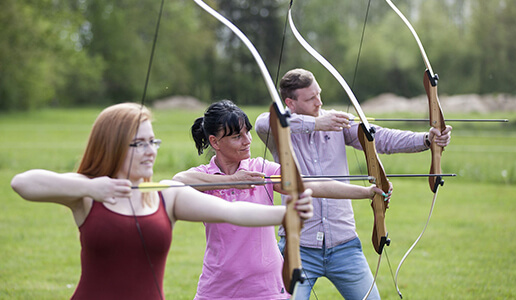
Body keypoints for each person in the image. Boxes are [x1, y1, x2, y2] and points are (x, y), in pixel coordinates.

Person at [10, 102, 315, 300]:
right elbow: (22, 183)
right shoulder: (88, 194)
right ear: (114, 145)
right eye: (138, 143)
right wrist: (94, 187)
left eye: (152, 141)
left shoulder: (165, 194)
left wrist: (286, 212)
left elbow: (232, 211)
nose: (150, 150)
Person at [255, 68, 453, 300]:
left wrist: (427, 139)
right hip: (299, 248)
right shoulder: (279, 129)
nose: (319, 102)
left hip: (344, 245)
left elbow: (380, 137)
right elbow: (263, 122)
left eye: (319, 94)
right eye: (310, 99)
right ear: (290, 102)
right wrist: (316, 124)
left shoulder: (338, 121)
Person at [172, 99, 391, 300]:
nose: (247, 141)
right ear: (215, 142)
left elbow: (312, 184)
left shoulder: (262, 170)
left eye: (247, 133)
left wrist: (366, 192)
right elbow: (178, 181)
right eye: (237, 136)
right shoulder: (205, 176)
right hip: (218, 285)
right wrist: (231, 180)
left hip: (267, 286)